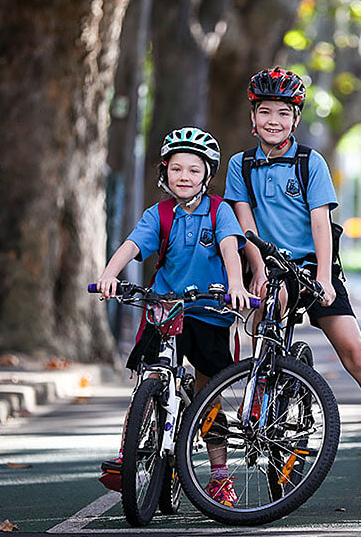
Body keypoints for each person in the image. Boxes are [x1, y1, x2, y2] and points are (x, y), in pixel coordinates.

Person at [223, 67, 361, 488]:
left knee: (356, 353)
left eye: (283, 113)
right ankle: (264, 395)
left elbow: (321, 224)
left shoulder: (311, 162)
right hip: (271, 266)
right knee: (262, 321)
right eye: (265, 111)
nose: (274, 120)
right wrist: (257, 268)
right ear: (252, 117)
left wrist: (324, 278)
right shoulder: (241, 164)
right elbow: (245, 226)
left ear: (295, 118)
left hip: (314, 265)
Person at [96, 127, 253, 507]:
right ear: (164, 173)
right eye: (177, 169)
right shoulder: (159, 213)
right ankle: (128, 453)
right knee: (149, 376)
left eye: (194, 170)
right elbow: (133, 245)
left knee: (208, 392)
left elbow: (231, 250)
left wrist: (235, 284)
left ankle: (219, 475)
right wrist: (109, 274)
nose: (184, 177)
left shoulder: (219, 211)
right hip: (166, 306)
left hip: (209, 311)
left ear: (207, 175)